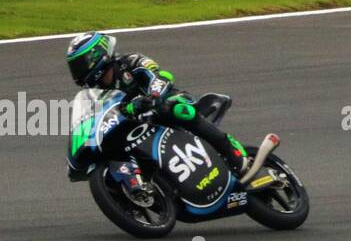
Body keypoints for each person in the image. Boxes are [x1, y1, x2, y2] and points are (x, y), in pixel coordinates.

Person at [65, 31, 250, 192]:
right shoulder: (94, 93)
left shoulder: (131, 61)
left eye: (80, 65)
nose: (78, 72)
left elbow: (160, 76)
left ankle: (232, 152)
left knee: (176, 109)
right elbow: (89, 117)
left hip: (164, 104)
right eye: (75, 68)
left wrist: (152, 97)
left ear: (98, 55)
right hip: (134, 126)